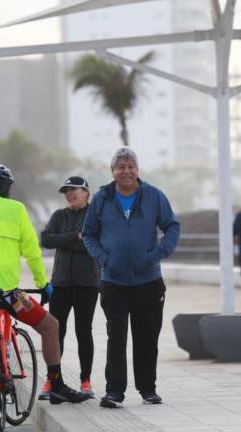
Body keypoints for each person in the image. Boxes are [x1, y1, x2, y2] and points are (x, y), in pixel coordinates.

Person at [0, 164, 90, 429]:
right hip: (10, 295)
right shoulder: (16, 210)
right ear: (8, 189)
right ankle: (57, 383)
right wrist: (43, 284)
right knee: (50, 326)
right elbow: (31, 250)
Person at [83, 147, 180, 408]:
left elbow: (172, 226)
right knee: (116, 335)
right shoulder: (102, 198)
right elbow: (89, 234)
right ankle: (114, 391)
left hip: (148, 280)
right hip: (114, 281)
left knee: (147, 337)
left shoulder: (153, 196)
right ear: (112, 171)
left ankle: (148, 388)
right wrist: (104, 259)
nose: (126, 171)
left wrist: (157, 254)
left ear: (137, 169)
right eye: (120, 166)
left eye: (130, 166)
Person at [39, 176, 101, 399]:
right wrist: (75, 236)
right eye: (66, 191)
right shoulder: (59, 216)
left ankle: (86, 380)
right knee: (56, 331)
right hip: (61, 283)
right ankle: (52, 381)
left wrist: (63, 241)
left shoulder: (96, 215)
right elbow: (45, 240)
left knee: (84, 331)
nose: (69, 194)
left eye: (74, 189)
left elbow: (94, 244)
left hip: (88, 283)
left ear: (86, 192)